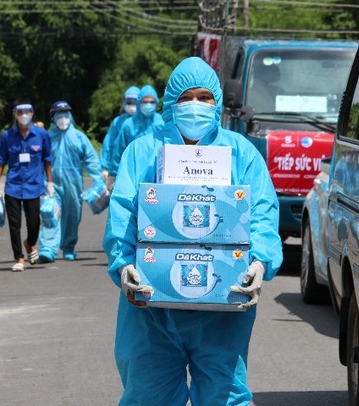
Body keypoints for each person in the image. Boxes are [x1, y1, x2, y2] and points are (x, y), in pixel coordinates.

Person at [102, 57, 283, 406]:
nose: (196, 106)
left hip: (222, 307)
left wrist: (260, 262)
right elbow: (123, 215)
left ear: (217, 102)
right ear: (171, 102)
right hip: (151, 309)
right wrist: (124, 266)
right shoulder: (142, 151)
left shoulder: (240, 153)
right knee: (147, 396)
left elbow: (262, 211)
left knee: (225, 396)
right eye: (187, 97)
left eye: (205, 97)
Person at [0, 99, 54, 272]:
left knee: (34, 224)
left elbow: (47, 160)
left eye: (27, 112)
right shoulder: (7, 136)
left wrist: (50, 183)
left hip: (34, 186)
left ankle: (30, 243)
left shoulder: (41, 135)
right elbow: (1, 162)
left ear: (32, 114)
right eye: (20, 112)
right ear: (15, 114)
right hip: (13, 185)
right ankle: (19, 257)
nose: (24, 115)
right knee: (14, 224)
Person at [38, 101, 103, 262]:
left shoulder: (79, 137)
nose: (63, 118)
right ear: (52, 117)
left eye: (65, 114)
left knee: (73, 216)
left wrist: (98, 179)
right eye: (59, 115)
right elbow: (37, 160)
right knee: (49, 212)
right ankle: (48, 248)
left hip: (74, 185)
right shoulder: (47, 137)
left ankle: (68, 247)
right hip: (51, 184)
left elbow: (90, 160)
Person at [109, 84, 164, 189]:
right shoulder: (129, 124)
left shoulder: (162, 122)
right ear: (139, 103)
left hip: (157, 173)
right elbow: (119, 150)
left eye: (152, 102)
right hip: (132, 172)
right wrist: (113, 173)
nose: (148, 105)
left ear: (157, 103)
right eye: (145, 102)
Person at [99, 86, 139, 185]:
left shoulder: (147, 123)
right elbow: (109, 144)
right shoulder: (117, 122)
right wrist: (105, 167)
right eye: (129, 103)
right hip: (118, 166)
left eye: (135, 102)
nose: (132, 106)